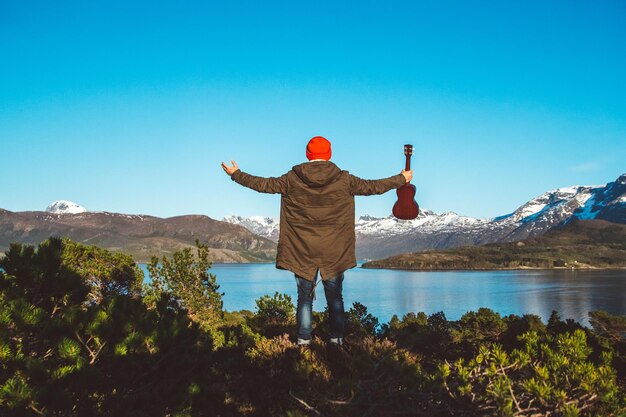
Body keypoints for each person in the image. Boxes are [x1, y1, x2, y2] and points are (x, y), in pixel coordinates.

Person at [221, 136, 412, 347]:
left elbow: (263, 185)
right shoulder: (344, 179)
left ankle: (303, 342)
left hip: (301, 250)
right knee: (335, 298)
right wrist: (401, 179)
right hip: (334, 251)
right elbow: (374, 186)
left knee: (304, 298)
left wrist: (236, 175)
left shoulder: (292, 179)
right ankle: (336, 340)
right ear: (329, 155)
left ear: (307, 154)